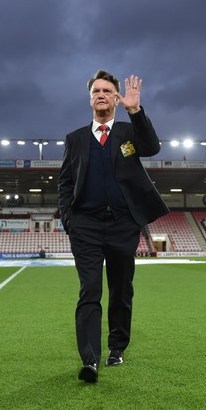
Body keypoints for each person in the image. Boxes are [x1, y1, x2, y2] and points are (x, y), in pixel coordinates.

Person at [58, 70, 169, 383]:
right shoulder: (75, 139)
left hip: (122, 225)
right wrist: (69, 220)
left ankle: (117, 347)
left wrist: (136, 111)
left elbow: (152, 147)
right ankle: (90, 360)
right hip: (85, 227)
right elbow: (65, 182)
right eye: (96, 91)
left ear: (117, 99)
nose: (101, 95)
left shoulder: (128, 132)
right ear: (90, 99)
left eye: (107, 91)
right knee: (90, 290)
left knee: (121, 290)